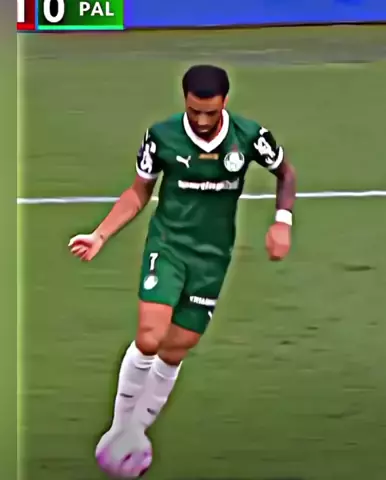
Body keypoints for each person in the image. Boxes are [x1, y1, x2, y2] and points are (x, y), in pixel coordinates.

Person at [68, 64, 297, 447]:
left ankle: (137, 431)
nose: (202, 121)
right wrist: (100, 234)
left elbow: (285, 173)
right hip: (169, 246)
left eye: (211, 112)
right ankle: (121, 428)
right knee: (150, 337)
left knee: (176, 348)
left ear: (225, 101)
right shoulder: (161, 137)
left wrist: (282, 221)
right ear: (184, 100)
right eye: (194, 111)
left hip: (213, 256)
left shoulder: (249, 136)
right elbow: (139, 191)